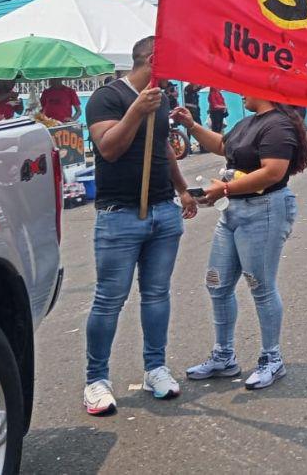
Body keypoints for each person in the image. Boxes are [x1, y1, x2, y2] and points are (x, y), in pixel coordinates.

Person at [82, 36, 198, 417]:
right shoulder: (107, 98)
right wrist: (136, 110)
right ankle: (96, 380)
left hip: (163, 211)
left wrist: (182, 190)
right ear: (151, 59)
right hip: (120, 214)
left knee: (157, 295)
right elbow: (109, 148)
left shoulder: (160, 98)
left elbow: (162, 146)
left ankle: (155, 368)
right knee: (109, 299)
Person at [174, 97, 307, 390]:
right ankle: (224, 356)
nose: (240, 94)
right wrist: (192, 126)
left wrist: (224, 188)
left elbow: (273, 172)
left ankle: (272, 359)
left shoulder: (278, 125)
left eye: (245, 89)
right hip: (234, 211)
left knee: (260, 286)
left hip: (265, 210)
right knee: (217, 283)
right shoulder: (248, 123)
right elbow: (224, 146)